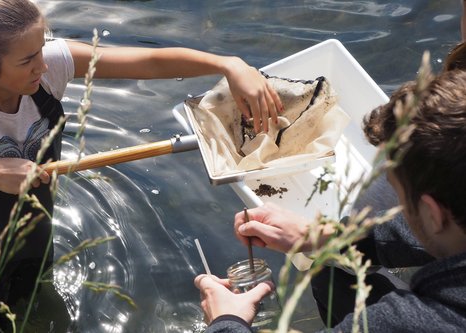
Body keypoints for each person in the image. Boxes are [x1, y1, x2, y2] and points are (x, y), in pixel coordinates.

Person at [0, 0, 283, 330]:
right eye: (28, 59)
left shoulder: (45, 73)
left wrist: (228, 65)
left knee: (38, 293)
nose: (44, 65)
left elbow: (149, 63)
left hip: (35, 231)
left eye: (42, 49)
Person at [194, 69, 466, 332]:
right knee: (331, 276)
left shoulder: (417, 321)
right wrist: (330, 237)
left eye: (400, 200)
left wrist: (226, 322)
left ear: (433, 212)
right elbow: (414, 236)